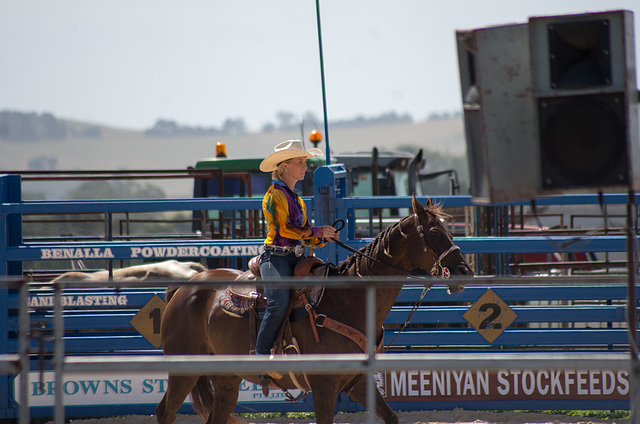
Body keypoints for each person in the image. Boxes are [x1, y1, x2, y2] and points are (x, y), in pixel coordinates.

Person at [256, 140, 339, 380]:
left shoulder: (295, 198)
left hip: (295, 257)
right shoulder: (274, 196)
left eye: (305, 162)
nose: (305, 167)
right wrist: (317, 232)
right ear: (283, 166)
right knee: (278, 302)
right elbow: (285, 231)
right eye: (299, 162)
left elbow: (304, 234)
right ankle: (261, 359)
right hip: (276, 258)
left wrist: (324, 237)